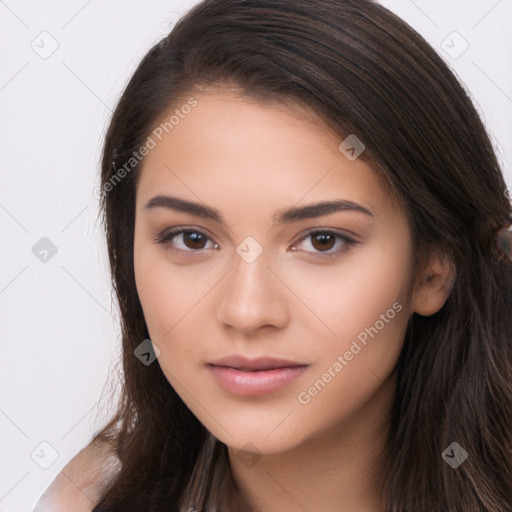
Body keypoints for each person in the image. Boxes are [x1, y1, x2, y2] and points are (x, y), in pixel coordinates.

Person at [34, 0, 512, 510]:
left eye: (322, 241)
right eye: (192, 239)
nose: (247, 311)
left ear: (433, 269)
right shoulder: (87, 498)